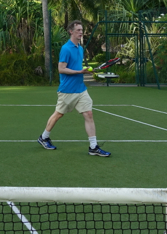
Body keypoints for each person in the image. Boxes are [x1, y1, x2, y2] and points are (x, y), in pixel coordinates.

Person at [37, 20, 111, 157]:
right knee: (58, 114)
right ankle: (44, 137)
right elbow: (61, 69)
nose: (81, 32)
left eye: (82, 30)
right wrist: (79, 72)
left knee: (89, 114)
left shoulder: (80, 48)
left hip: (81, 89)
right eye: (78, 30)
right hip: (67, 90)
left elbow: (77, 67)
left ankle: (93, 147)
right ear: (71, 31)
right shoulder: (66, 49)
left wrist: (86, 71)